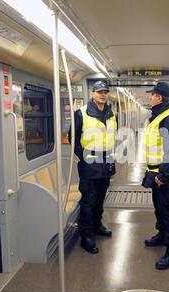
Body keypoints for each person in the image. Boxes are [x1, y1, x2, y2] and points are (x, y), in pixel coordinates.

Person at [142, 82, 169, 270]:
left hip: (166, 176)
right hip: (156, 173)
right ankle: (162, 235)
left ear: (159, 97)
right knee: (160, 209)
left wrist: (163, 175)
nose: (149, 97)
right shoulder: (160, 115)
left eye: (151, 94)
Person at [70, 81, 117, 254]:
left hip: (106, 164)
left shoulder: (111, 114)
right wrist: (86, 158)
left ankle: (97, 226)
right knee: (88, 202)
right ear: (92, 94)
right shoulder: (81, 114)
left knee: (100, 199)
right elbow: (73, 140)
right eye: (99, 92)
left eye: (105, 92)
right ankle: (86, 235)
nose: (102, 95)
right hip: (90, 166)